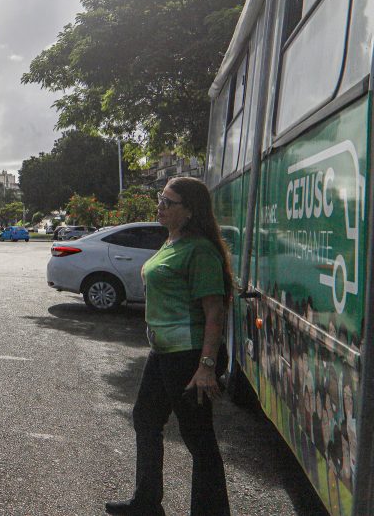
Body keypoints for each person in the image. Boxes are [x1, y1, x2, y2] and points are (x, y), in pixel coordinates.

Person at [106, 177, 232, 516]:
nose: (159, 206)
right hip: (163, 353)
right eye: (160, 199)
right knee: (146, 419)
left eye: (168, 202)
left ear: (190, 210)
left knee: (198, 439)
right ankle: (147, 502)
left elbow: (214, 310)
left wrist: (207, 365)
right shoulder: (172, 241)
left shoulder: (200, 250)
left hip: (189, 356)